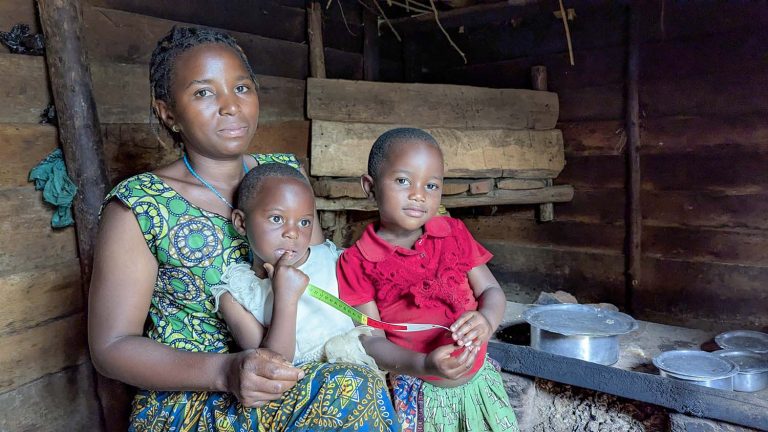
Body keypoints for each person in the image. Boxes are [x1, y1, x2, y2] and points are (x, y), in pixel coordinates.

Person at [88, 26, 397, 431]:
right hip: (195, 399)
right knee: (346, 389)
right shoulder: (139, 205)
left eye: (242, 88)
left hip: (298, 370)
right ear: (167, 112)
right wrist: (225, 372)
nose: (230, 106)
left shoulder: (285, 177)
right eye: (203, 92)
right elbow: (111, 348)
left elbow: (321, 278)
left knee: (358, 381)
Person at [337, 128, 519, 432]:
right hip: (418, 393)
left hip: (479, 383)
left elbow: (490, 289)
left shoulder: (453, 233)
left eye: (431, 185)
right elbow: (371, 340)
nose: (418, 194)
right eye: (403, 181)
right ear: (370, 187)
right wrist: (423, 364)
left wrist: (487, 320)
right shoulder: (357, 262)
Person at [210, 162, 380, 372]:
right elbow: (272, 367)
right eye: (276, 218)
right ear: (241, 223)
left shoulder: (332, 261)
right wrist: (286, 298)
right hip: (300, 390)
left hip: (362, 378)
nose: (293, 233)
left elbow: (374, 333)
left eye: (304, 222)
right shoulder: (235, 296)